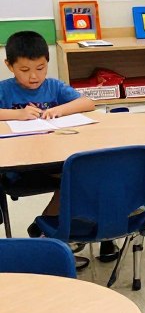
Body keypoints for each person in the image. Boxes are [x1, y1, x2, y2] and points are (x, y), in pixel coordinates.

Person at [1, 30, 96, 253]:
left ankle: (47, 227)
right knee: (73, 177)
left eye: (40, 68)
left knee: (83, 173)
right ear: (9, 66)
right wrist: (17, 114)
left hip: (57, 159)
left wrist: (58, 110)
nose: (33, 76)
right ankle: (48, 229)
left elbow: (88, 103)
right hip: (21, 167)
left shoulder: (53, 86)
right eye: (24, 70)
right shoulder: (4, 90)